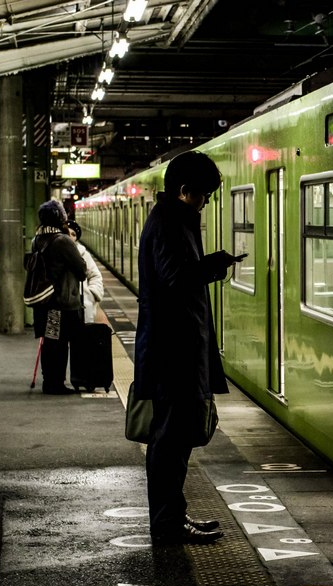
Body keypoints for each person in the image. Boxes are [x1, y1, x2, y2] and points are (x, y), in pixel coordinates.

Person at [133, 150, 236, 545]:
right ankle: (167, 524)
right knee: (169, 444)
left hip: (175, 352)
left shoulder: (172, 219)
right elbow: (176, 278)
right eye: (203, 194)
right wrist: (213, 265)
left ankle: (173, 518)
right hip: (172, 355)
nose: (206, 201)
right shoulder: (168, 222)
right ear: (183, 191)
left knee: (174, 444)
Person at [29, 199, 87, 395]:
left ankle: (49, 381)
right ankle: (56, 384)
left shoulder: (37, 240)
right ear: (59, 218)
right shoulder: (62, 241)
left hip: (43, 301)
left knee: (49, 341)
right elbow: (81, 268)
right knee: (60, 344)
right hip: (60, 303)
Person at [66, 220, 105, 324]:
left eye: (73, 234)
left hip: (81, 306)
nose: (70, 237)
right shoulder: (55, 252)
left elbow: (95, 276)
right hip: (59, 308)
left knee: (81, 338)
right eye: (67, 233)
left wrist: (91, 295)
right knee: (56, 337)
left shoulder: (83, 254)